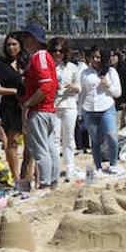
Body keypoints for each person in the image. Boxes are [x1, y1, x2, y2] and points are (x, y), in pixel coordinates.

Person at [18, 22, 61, 192]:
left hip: (40, 110)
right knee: (50, 148)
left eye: (27, 37)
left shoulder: (39, 57)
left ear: (34, 39)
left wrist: (28, 103)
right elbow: (53, 85)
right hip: (48, 109)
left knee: (41, 149)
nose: (24, 41)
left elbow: (46, 86)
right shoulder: (46, 57)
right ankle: (53, 183)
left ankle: (45, 183)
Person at [78, 45, 122, 176]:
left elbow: (118, 92)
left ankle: (113, 163)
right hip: (89, 108)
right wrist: (80, 112)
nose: (96, 60)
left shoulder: (111, 72)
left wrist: (108, 86)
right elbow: (82, 93)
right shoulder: (85, 73)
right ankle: (98, 166)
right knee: (95, 139)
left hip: (107, 106)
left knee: (112, 136)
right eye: (93, 57)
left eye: (99, 57)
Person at [0, 34, 26, 182]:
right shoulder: (0, 63)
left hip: (28, 105)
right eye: (8, 45)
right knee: (13, 141)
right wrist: (13, 91)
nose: (11, 47)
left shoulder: (26, 62)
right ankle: (15, 176)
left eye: (14, 44)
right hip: (9, 106)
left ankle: (27, 174)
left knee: (30, 142)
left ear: (20, 45)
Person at [50, 37, 81, 182]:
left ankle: (70, 167)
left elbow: (79, 87)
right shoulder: (49, 67)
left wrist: (73, 87)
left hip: (69, 105)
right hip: (54, 106)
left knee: (69, 138)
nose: (58, 54)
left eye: (61, 51)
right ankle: (55, 169)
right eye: (55, 51)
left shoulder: (72, 68)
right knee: (55, 139)